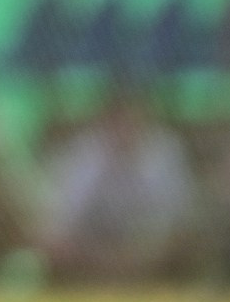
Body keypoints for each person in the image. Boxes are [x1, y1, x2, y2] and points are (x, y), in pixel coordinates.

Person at [41, 84, 199, 286]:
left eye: (133, 122)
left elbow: (179, 225)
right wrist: (98, 257)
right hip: (91, 258)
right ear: (104, 122)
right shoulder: (83, 154)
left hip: (149, 258)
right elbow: (57, 224)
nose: (125, 131)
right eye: (118, 122)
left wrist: (133, 257)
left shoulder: (165, 153)